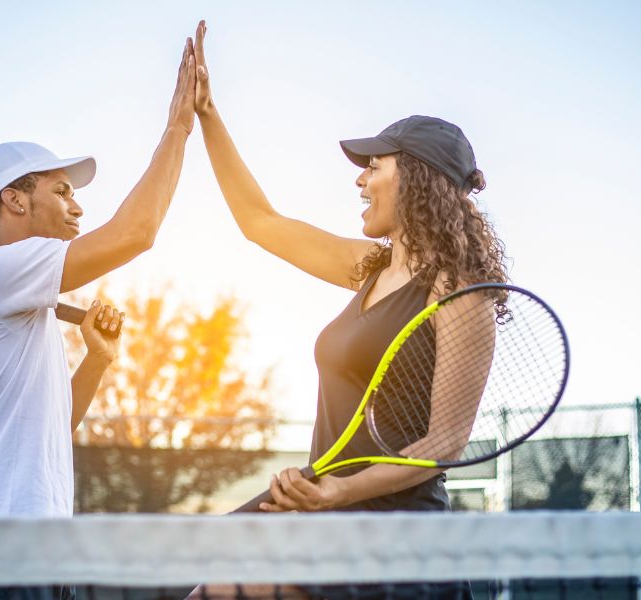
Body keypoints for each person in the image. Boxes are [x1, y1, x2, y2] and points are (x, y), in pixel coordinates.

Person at [192, 21, 508, 515]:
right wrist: (207, 114)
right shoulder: (368, 270)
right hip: (323, 507)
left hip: (392, 533)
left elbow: (444, 443)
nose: (360, 179)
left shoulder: (460, 291)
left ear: (416, 179)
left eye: (374, 166)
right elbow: (259, 221)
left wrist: (340, 491)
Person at [0, 38, 197, 521]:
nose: (77, 205)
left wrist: (97, 358)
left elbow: (52, 430)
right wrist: (178, 128)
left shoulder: (23, 302)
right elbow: (136, 233)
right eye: (61, 191)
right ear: (15, 200)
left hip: (38, 543)